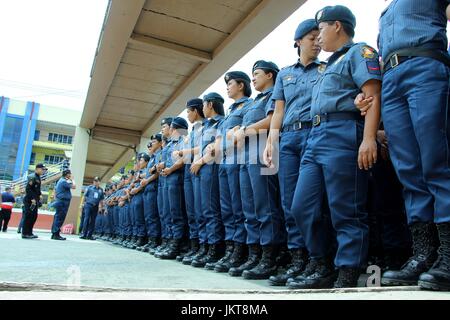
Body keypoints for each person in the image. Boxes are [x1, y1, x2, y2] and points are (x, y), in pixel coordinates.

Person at [288, 5, 382, 289]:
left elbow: (373, 95)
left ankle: (349, 270)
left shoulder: (359, 52)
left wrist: (368, 139)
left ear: (337, 26)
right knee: (301, 207)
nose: (318, 39)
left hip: (342, 133)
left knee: (346, 208)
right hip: (315, 137)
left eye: (322, 30)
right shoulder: (328, 65)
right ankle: (320, 262)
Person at [376, 0, 450, 291]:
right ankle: (424, 253)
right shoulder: (386, 10)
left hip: (425, 64)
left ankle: (448, 255)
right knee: (408, 170)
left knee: (436, 162)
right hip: (390, 78)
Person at [263, 19, 325, 286]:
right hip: (288, 139)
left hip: (316, 133)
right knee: (289, 203)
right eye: (312, 37)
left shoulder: (327, 69)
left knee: (312, 202)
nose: (318, 42)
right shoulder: (285, 74)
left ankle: (317, 259)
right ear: (298, 41)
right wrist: (270, 142)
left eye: (319, 37)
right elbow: (278, 111)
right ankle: (298, 260)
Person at [230, 60, 285, 280]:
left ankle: (271, 255)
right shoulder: (255, 102)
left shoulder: (275, 95)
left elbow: (272, 119)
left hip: (264, 151)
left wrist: (244, 130)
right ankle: (255, 253)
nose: (252, 78)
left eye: (257, 73)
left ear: (270, 75)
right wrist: (238, 129)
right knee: (250, 208)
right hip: (246, 156)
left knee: (266, 205)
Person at [206, 71, 253, 272]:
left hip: (237, 159)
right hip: (224, 161)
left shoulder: (250, 106)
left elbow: (238, 135)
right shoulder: (230, 113)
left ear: (241, 85)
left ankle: (241, 250)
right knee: (227, 210)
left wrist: (221, 143)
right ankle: (231, 248)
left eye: (230, 83)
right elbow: (220, 140)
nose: (227, 87)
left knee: (238, 208)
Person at [189, 92, 226, 268]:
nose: (202, 108)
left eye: (204, 104)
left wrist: (201, 160)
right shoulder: (205, 126)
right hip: (201, 169)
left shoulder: (221, 122)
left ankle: (214, 248)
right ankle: (204, 246)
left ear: (210, 104)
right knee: (202, 211)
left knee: (210, 210)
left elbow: (214, 150)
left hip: (210, 168)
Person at [175, 99, 205, 263]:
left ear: (196, 111)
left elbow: (206, 147)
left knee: (202, 211)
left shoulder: (205, 126)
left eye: (188, 111)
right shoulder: (194, 130)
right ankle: (195, 247)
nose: (187, 115)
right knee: (192, 212)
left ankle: (205, 248)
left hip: (200, 168)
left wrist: (185, 150)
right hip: (189, 169)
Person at [137, 135, 163, 252]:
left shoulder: (159, 155)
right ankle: (151, 240)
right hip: (148, 188)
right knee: (148, 216)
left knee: (153, 216)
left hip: (153, 187)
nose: (151, 145)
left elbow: (157, 172)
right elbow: (149, 172)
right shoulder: (152, 158)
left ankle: (155, 240)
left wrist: (146, 180)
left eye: (153, 142)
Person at [22, 163, 47, 239]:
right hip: (30, 201)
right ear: (37, 169)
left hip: (35, 200)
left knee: (33, 217)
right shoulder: (32, 177)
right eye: (42, 169)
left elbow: (36, 189)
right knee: (28, 217)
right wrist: (32, 198)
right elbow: (28, 189)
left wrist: (40, 194)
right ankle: (25, 233)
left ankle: (30, 232)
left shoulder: (38, 177)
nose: (43, 171)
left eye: (44, 170)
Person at [51, 169, 76, 240]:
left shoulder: (61, 180)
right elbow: (74, 186)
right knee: (60, 217)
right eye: (70, 174)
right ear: (67, 174)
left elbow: (55, 191)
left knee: (58, 217)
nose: (71, 175)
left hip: (60, 201)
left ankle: (54, 233)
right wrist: (73, 180)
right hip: (63, 202)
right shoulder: (64, 181)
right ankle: (56, 234)